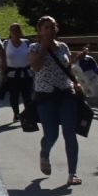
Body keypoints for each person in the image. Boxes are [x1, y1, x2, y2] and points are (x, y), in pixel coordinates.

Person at [29, 15, 85, 185]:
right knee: (51, 135)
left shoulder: (63, 47)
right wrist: (44, 48)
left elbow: (68, 68)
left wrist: (76, 78)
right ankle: (44, 153)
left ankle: (72, 173)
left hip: (66, 93)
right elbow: (36, 67)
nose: (50, 30)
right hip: (46, 96)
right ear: (40, 30)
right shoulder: (34, 47)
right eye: (46, 27)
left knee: (70, 134)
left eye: (52, 27)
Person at [2, 22, 32, 121]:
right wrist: (3, 74)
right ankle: (16, 113)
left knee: (27, 96)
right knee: (13, 96)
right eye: (13, 30)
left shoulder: (26, 43)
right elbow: (2, 59)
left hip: (26, 74)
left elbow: (32, 57)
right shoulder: (6, 43)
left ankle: (27, 114)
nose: (15, 32)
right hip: (12, 75)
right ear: (10, 32)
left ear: (20, 32)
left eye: (17, 30)